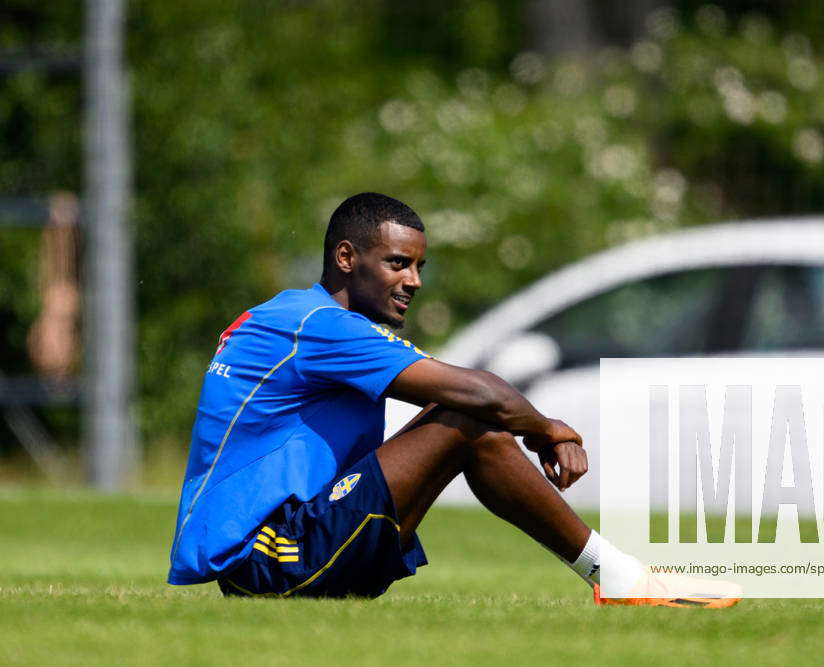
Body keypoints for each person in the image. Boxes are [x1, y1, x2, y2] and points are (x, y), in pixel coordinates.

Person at [167, 192, 740, 607]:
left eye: (419, 266)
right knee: (466, 417)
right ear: (347, 259)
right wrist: (549, 428)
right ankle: (619, 579)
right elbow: (476, 390)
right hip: (273, 557)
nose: (414, 280)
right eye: (398, 263)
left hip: (284, 548)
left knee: (472, 422)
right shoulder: (318, 324)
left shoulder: (296, 315)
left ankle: (617, 577)